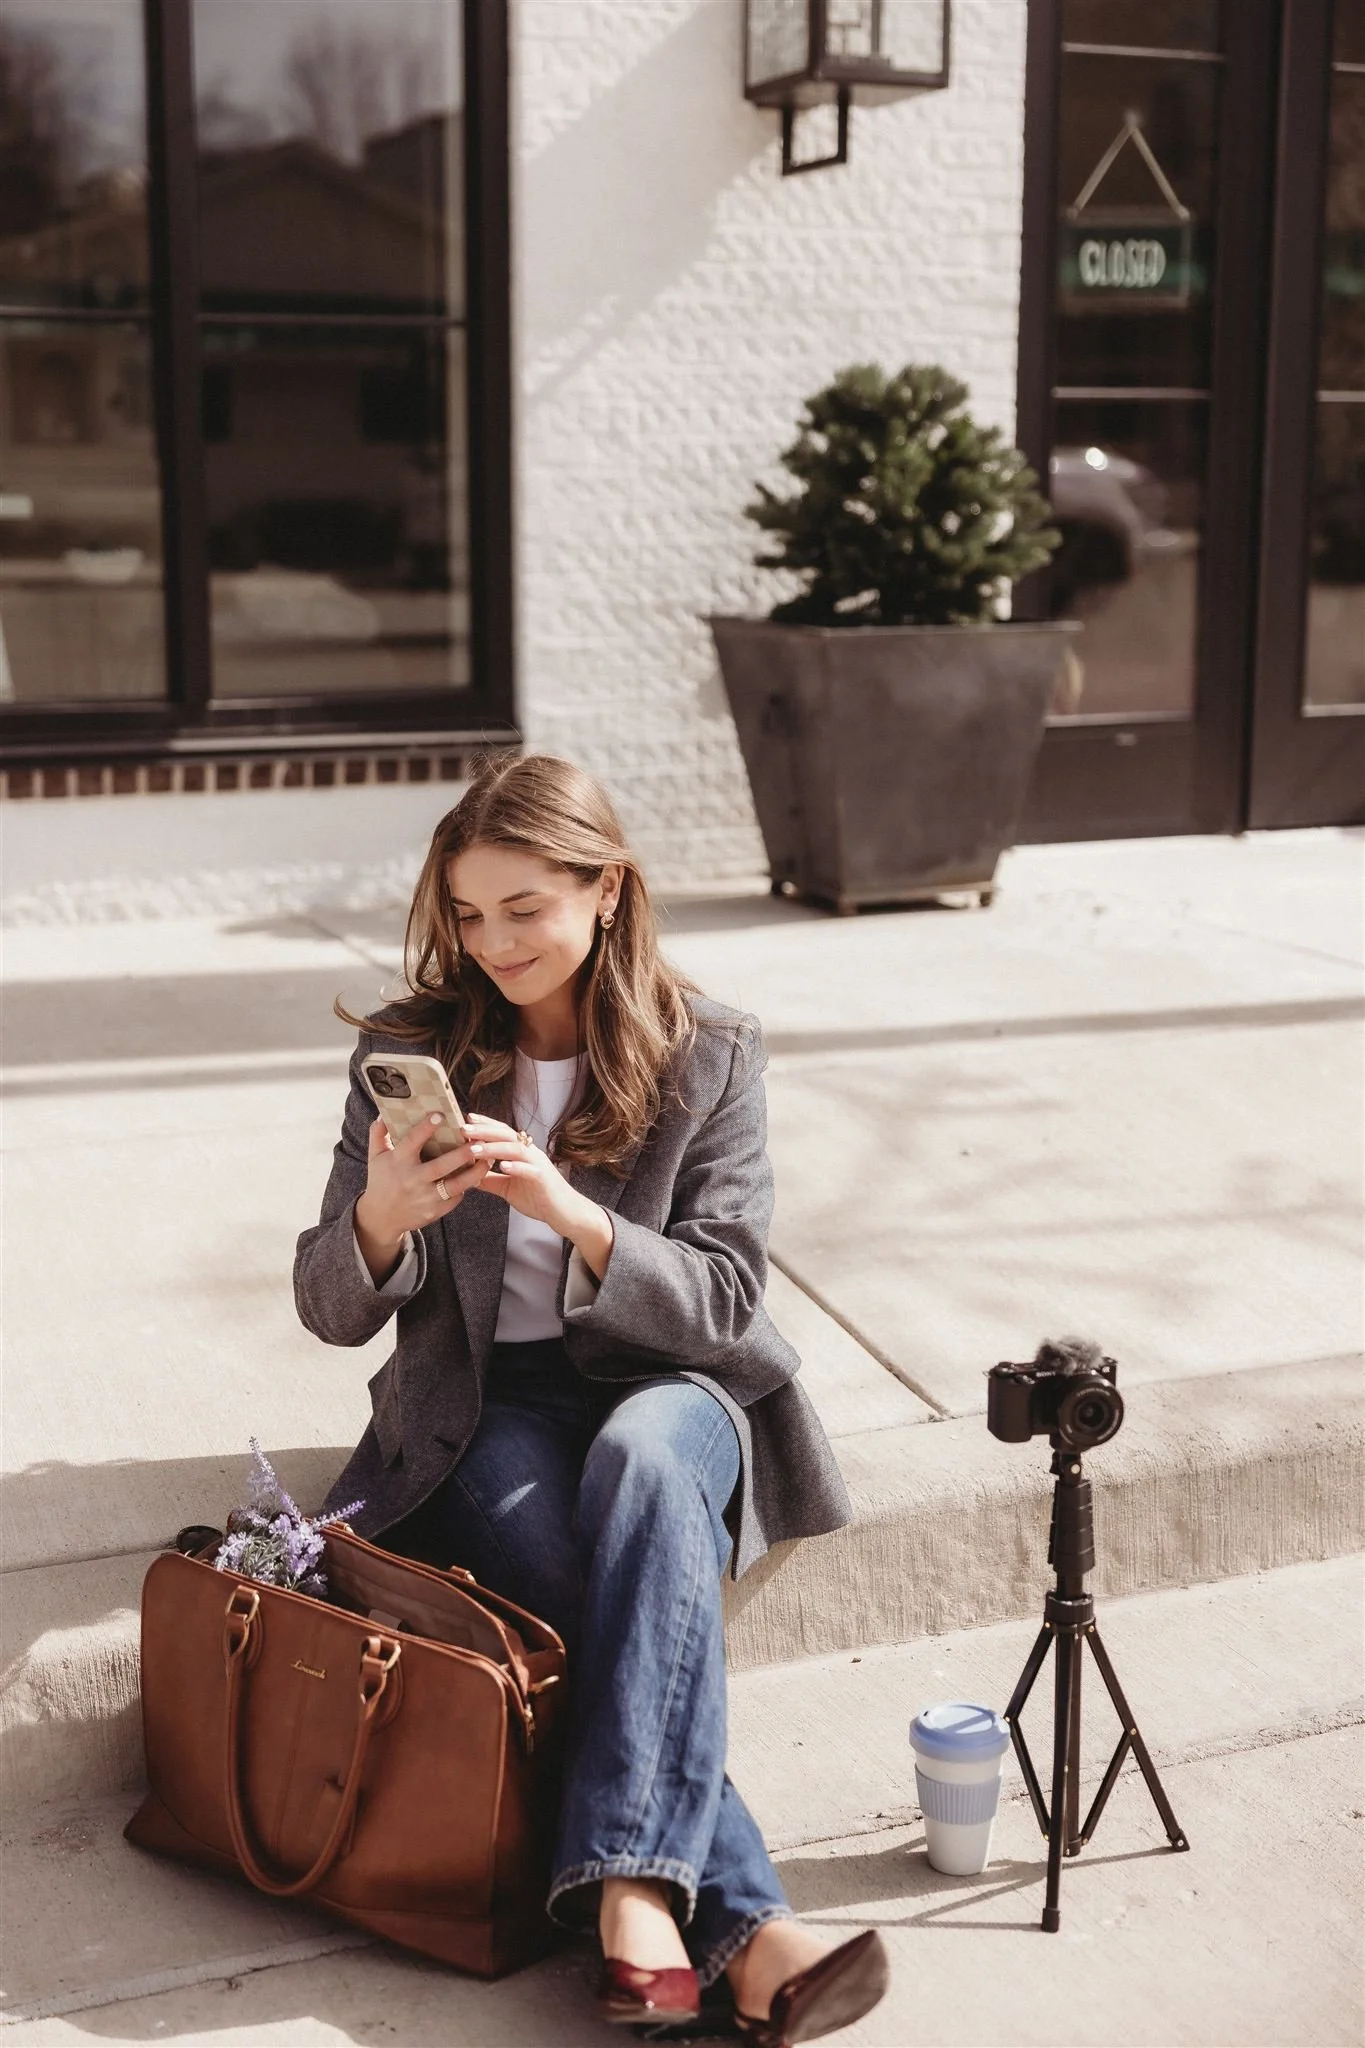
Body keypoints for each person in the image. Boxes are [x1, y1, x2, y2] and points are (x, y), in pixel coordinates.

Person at [294, 754, 889, 2044]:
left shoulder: (708, 1054)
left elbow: (729, 1301)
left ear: (605, 891)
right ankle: (742, 1932)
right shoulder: (412, 1054)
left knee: (643, 1461)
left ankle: (635, 1899)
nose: (492, 943)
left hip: (672, 1383)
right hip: (487, 1405)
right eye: (467, 912)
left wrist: (570, 1217)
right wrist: (381, 1223)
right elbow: (330, 1307)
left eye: (525, 909)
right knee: (571, 1587)